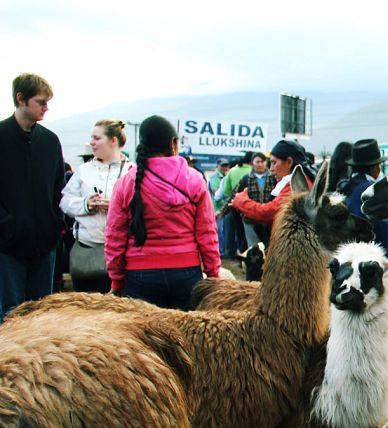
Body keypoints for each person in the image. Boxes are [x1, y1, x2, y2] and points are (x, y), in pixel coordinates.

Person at [105, 115, 220, 310]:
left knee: (146, 339)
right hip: (186, 273)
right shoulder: (195, 180)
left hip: (140, 275)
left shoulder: (126, 183)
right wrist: (213, 274)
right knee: (186, 337)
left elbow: (115, 235)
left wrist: (116, 280)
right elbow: (207, 233)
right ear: (173, 144)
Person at [0, 73, 66, 320]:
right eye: (41, 101)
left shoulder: (50, 142)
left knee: (41, 316)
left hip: (44, 246)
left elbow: (60, 190)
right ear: (21, 99)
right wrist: (6, 226)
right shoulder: (1, 137)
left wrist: (55, 225)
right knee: (10, 316)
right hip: (7, 248)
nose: (46, 108)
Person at [60, 119, 133, 292]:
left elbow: (142, 209)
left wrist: (117, 207)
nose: (91, 142)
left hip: (122, 253)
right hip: (87, 252)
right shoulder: (83, 171)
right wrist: (86, 204)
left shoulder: (131, 171)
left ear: (113, 141)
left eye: (96, 138)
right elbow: (65, 201)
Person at [344, 138, 388, 264]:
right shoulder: (373, 192)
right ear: (374, 168)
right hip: (374, 261)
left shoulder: (346, 188)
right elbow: (386, 228)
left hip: (351, 258)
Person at [230, 139, 314, 228]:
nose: (271, 169)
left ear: (289, 162)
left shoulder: (297, 185)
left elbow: (268, 213)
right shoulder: (296, 181)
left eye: (274, 163)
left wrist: (241, 201)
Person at [234, 151, 277, 247]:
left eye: (262, 161)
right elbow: (235, 196)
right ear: (252, 163)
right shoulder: (246, 179)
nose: (260, 164)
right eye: (257, 162)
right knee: (254, 248)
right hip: (250, 220)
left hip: (269, 220)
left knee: (269, 247)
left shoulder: (273, 178)